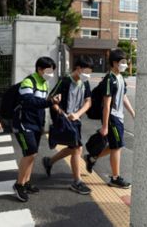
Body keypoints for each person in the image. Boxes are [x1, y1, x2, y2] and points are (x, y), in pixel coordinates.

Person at [42, 55, 93, 195]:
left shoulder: (85, 83)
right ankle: (77, 182)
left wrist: (77, 114)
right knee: (77, 149)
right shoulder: (64, 81)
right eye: (86, 72)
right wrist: (63, 114)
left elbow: (88, 101)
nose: (88, 75)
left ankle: (49, 161)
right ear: (78, 69)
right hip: (65, 120)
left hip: (76, 120)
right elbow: (51, 100)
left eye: (90, 72)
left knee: (73, 148)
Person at [85, 49, 135, 188]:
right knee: (117, 147)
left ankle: (92, 157)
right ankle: (115, 177)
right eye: (122, 62)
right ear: (114, 63)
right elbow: (106, 105)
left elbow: (123, 96)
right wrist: (105, 126)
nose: (125, 64)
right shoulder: (109, 79)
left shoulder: (120, 78)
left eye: (126, 62)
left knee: (116, 145)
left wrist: (132, 112)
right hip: (112, 117)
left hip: (119, 116)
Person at [12, 57, 59, 202]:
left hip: (36, 124)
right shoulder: (29, 81)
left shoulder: (44, 83)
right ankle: (19, 185)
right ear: (39, 69)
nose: (51, 74)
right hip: (24, 123)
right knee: (29, 153)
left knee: (33, 154)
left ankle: (26, 182)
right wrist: (49, 101)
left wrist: (52, 103)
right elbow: (29, 101)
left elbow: (43, 104)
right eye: (48, 70)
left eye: (52, 71)